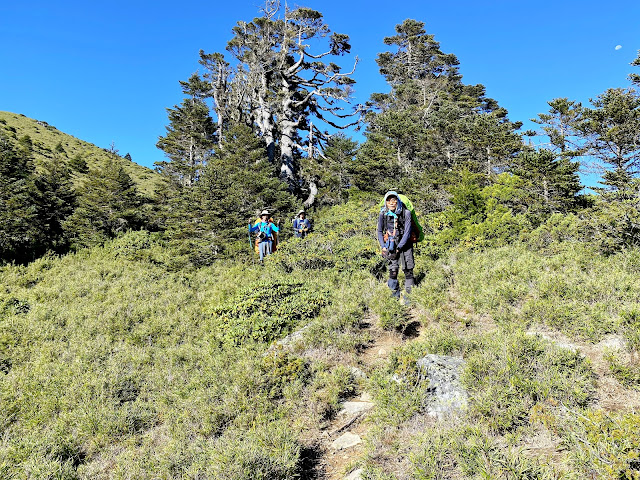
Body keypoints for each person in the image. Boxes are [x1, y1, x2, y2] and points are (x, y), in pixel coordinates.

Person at [377, 191, 415, 300]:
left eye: (394, 200)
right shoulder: (383, 213)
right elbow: (379, 231)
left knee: (408, 270)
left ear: (397, 201)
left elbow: (407, 233)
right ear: (386, 202)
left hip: (405, 243)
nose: (391, 203)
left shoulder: (406, 213)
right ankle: (395, 298)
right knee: (393, 271)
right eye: (389, 200)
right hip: (391, 243)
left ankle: (409, 298)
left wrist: (399, 248)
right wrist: (383, 246)